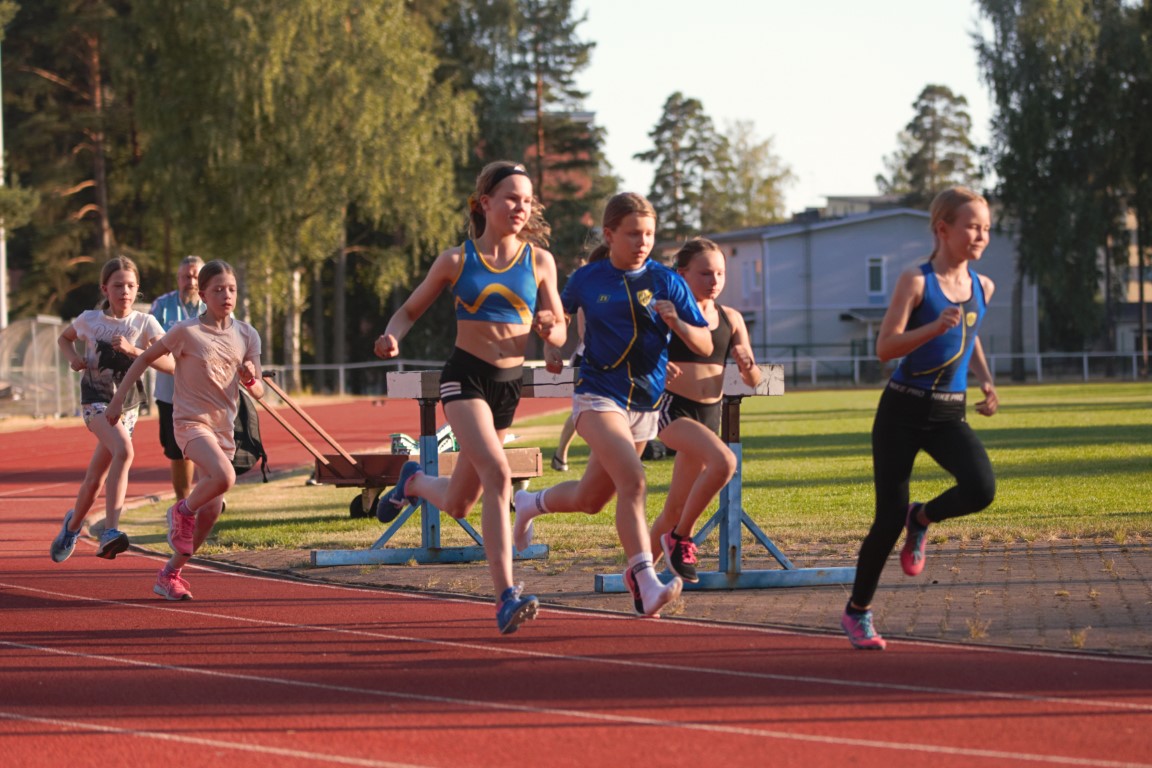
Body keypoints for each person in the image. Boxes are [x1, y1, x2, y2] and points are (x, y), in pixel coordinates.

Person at [372, 160, 566, 635]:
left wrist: (551, 335)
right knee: (498, 474)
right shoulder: (456, 260)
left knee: (460, 502)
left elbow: (559, 329)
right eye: (511, 198)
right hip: (465, 379)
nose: (521, 207)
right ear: (485, 203)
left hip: (508, 385)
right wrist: (392, 336)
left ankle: (414, 482)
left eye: (527, 200)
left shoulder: (540, 261)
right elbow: (408, 311)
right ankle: (505, 596)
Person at [512, 192, 712, 618]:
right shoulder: (587, 279)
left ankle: (529, 504)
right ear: (610, 234)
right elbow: (560, 323)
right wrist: (550, 344)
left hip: (645, 404)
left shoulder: (666, 280)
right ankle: (644, 581)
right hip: (597, 395)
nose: (643, 242)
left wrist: (676, 322)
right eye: (633, 234)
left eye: (649, 234)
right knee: (633, 482)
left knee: (591, 498)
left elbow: (705, 343)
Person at [841, 186, 998, 650]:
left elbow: (970, 333)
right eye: (972, 227)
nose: (981, 236)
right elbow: (885, 347)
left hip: (949, 413)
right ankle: (857, 612)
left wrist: (987, 380)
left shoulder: (984, 286)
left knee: (981, 488)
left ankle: (923, 517)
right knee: (887, 520)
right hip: (902, 411)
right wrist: (932, 327)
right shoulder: (916, 280)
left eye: (986, 228)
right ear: (943, 229)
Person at [105, 259, 264, 601]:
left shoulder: (247, 334)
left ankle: (170, 574)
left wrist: (251, 377)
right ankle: (180, 510)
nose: (226, 295)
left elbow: (260, 390)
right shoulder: (186, 331)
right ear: (203, 294)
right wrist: (117, 401)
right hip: (190, 424)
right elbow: (144, 358)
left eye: (232, 289)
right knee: (225, 477)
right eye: (218, 290)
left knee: (211, 511)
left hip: (223, 430)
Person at [648, 238, 762, 583]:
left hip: (709, 415)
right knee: (725, 462)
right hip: (672, 409)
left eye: (720, 274)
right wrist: (656, 364)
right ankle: (681, 538)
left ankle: (638, 574)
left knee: (675, 508)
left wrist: (747, 365)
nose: (714, 281)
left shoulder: (731, 318)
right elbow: (634, 355)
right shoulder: (666, 312)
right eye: (705, 273)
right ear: (682, 274)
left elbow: (754, 380)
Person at [50, 256, 169, 563]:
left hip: (128, 407)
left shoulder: (145, 323)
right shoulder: (90, 319)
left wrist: (135, 351)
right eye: (117, 286)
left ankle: (72, 527)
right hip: (95, 403)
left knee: (95, 479)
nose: (124, 291)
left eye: (130, 285)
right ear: (105, 288)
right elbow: (64, 338)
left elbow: (170, 364)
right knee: (125, 452)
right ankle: (110, 531)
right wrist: (74, 359)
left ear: (138, 288)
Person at [149, 255, 207, 501]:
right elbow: (151, 344)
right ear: (177, 279)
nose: (190, 281)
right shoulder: (162, 305)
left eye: (195, 276)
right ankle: (183, 505)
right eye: (186, 276)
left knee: (208, 445)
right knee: (177, 452)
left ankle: (210, 496)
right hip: (170, 393)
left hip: (207, 392)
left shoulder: (214, 301)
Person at [549, 307, 585, 472]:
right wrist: (551, 346)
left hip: (620, 360)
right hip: (587, 358)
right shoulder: (586, 292)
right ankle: (560, 453)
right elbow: (561, 312)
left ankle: (627, 455)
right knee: (583, 408)